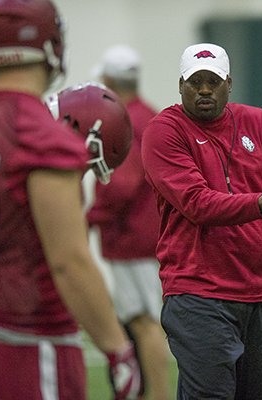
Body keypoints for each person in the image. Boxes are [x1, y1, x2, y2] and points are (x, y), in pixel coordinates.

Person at [140, 42, 262, 400]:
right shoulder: (164, 131)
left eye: (212, 81)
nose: (203, 89)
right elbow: (196, 203)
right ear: (180, 85)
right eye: (194, 81)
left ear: (229, 84)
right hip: (198, 293)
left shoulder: (257, 122)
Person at [0, 1, 141, 399]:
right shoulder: (40, 134)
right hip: (26, 335)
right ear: (51, 46)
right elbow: (68, 262)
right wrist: (117, 348)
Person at [89, 45, 170, 400]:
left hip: (131, 238)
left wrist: (92, 216)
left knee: (143, 321)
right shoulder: (149, 115)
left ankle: (157, 395)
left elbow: (123, 181)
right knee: (142, 320)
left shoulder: (124, 120)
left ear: (108, 79)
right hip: (146, 234)